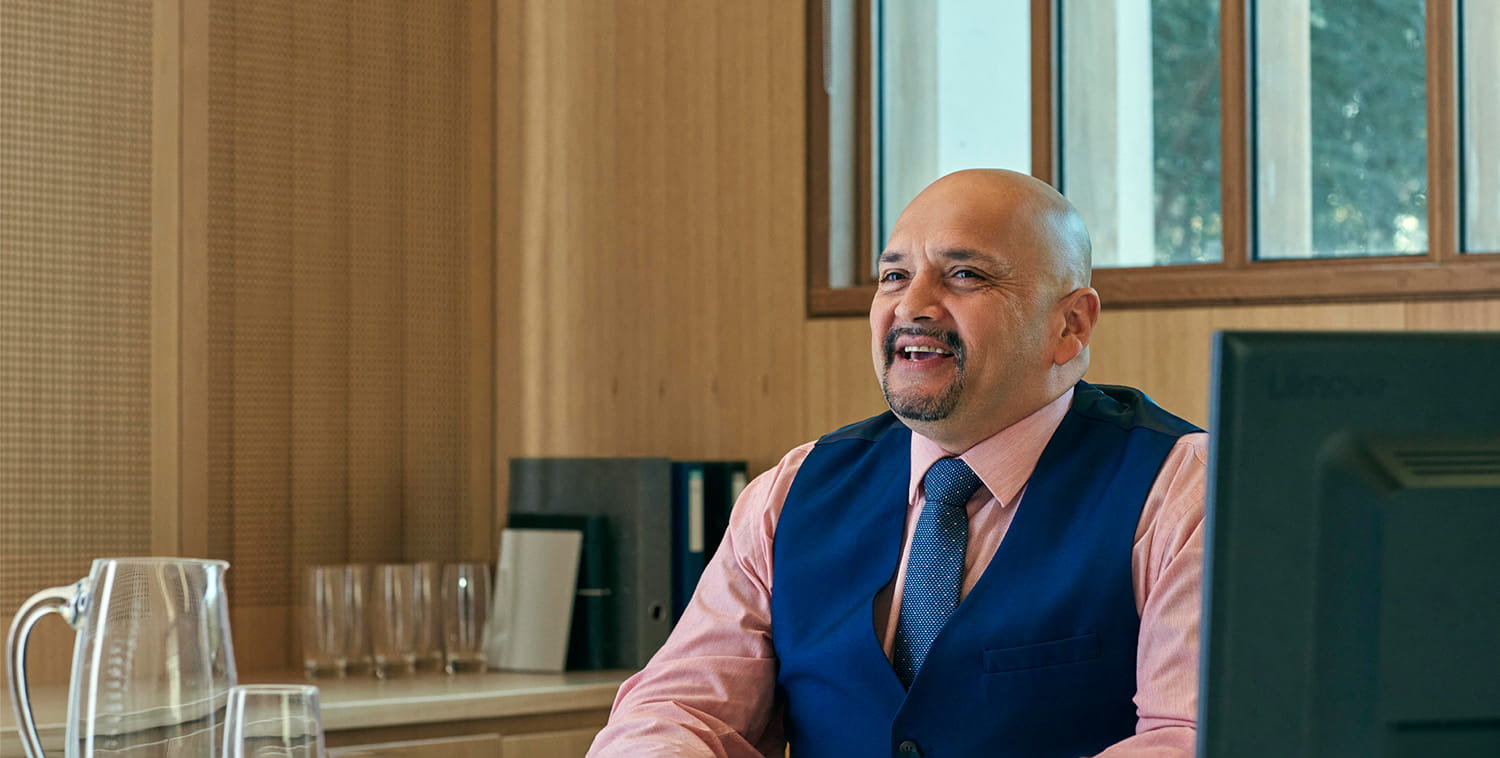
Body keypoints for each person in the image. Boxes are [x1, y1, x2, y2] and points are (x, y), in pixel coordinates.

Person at [588, 169, 1207, 757]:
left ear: (1070, 324)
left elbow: (1192, 737)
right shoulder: (792, 490)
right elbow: (681, 708)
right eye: (893, 277)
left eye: (963, 275)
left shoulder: (1187, 489)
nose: (914, 306)